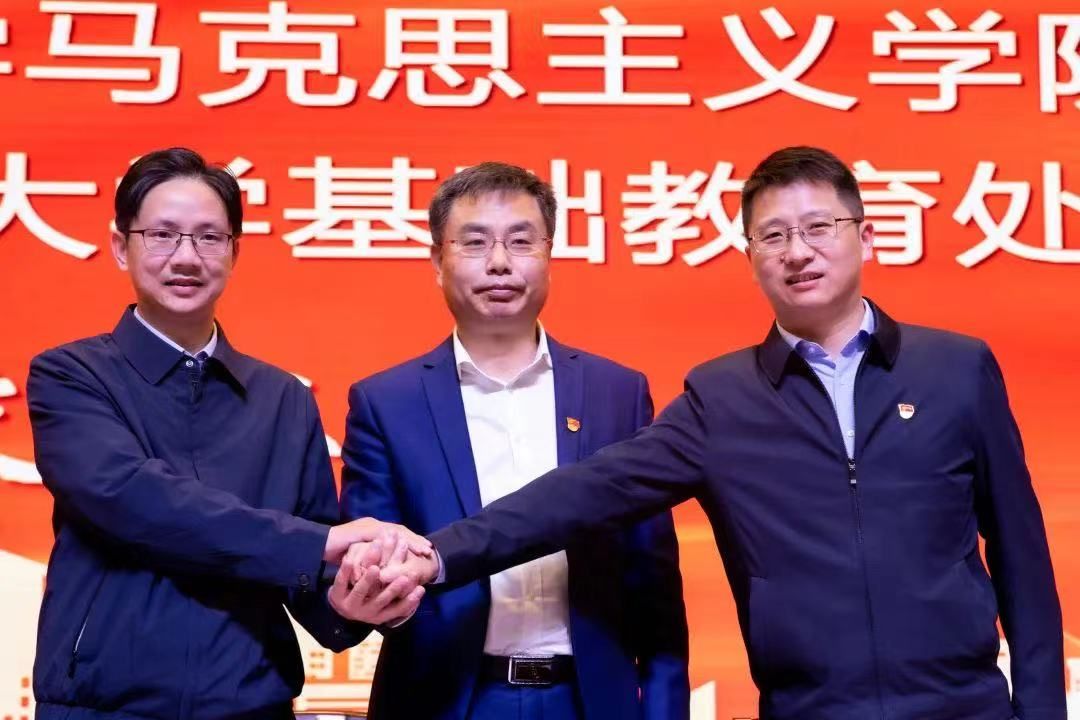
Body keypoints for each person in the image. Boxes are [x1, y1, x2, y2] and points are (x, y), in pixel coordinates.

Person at [376, 147, 1066, 720]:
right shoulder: (723, 398)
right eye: (774, 235)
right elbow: (582, 493)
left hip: (965, 707)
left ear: (866, 236)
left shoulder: (956, 369)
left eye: (819, 227)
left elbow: (1023, 557)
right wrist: (439, 554)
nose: (798, 252)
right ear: (751, 255)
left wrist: (1040, 710)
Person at [26, 147, 428, 720]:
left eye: (209, 237)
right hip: (101, 704)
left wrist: (354, 599)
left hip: (252, 703)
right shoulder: (71, 375)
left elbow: (315, 568)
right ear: (120, 246)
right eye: (162, 235)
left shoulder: (283, 397)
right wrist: (316, 546)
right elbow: (131, 497)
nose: (186, 257)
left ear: (235, 252)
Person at [338, 162, 689, 720]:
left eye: (521, 241)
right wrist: (384, 595)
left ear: (549, 254)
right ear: (437, 260)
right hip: (448, 700)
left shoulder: (616, 392)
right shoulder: (386, 402)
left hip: (588, 701)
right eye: (475, 242)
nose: (499, 262)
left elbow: (654, 582)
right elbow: (370, 562)